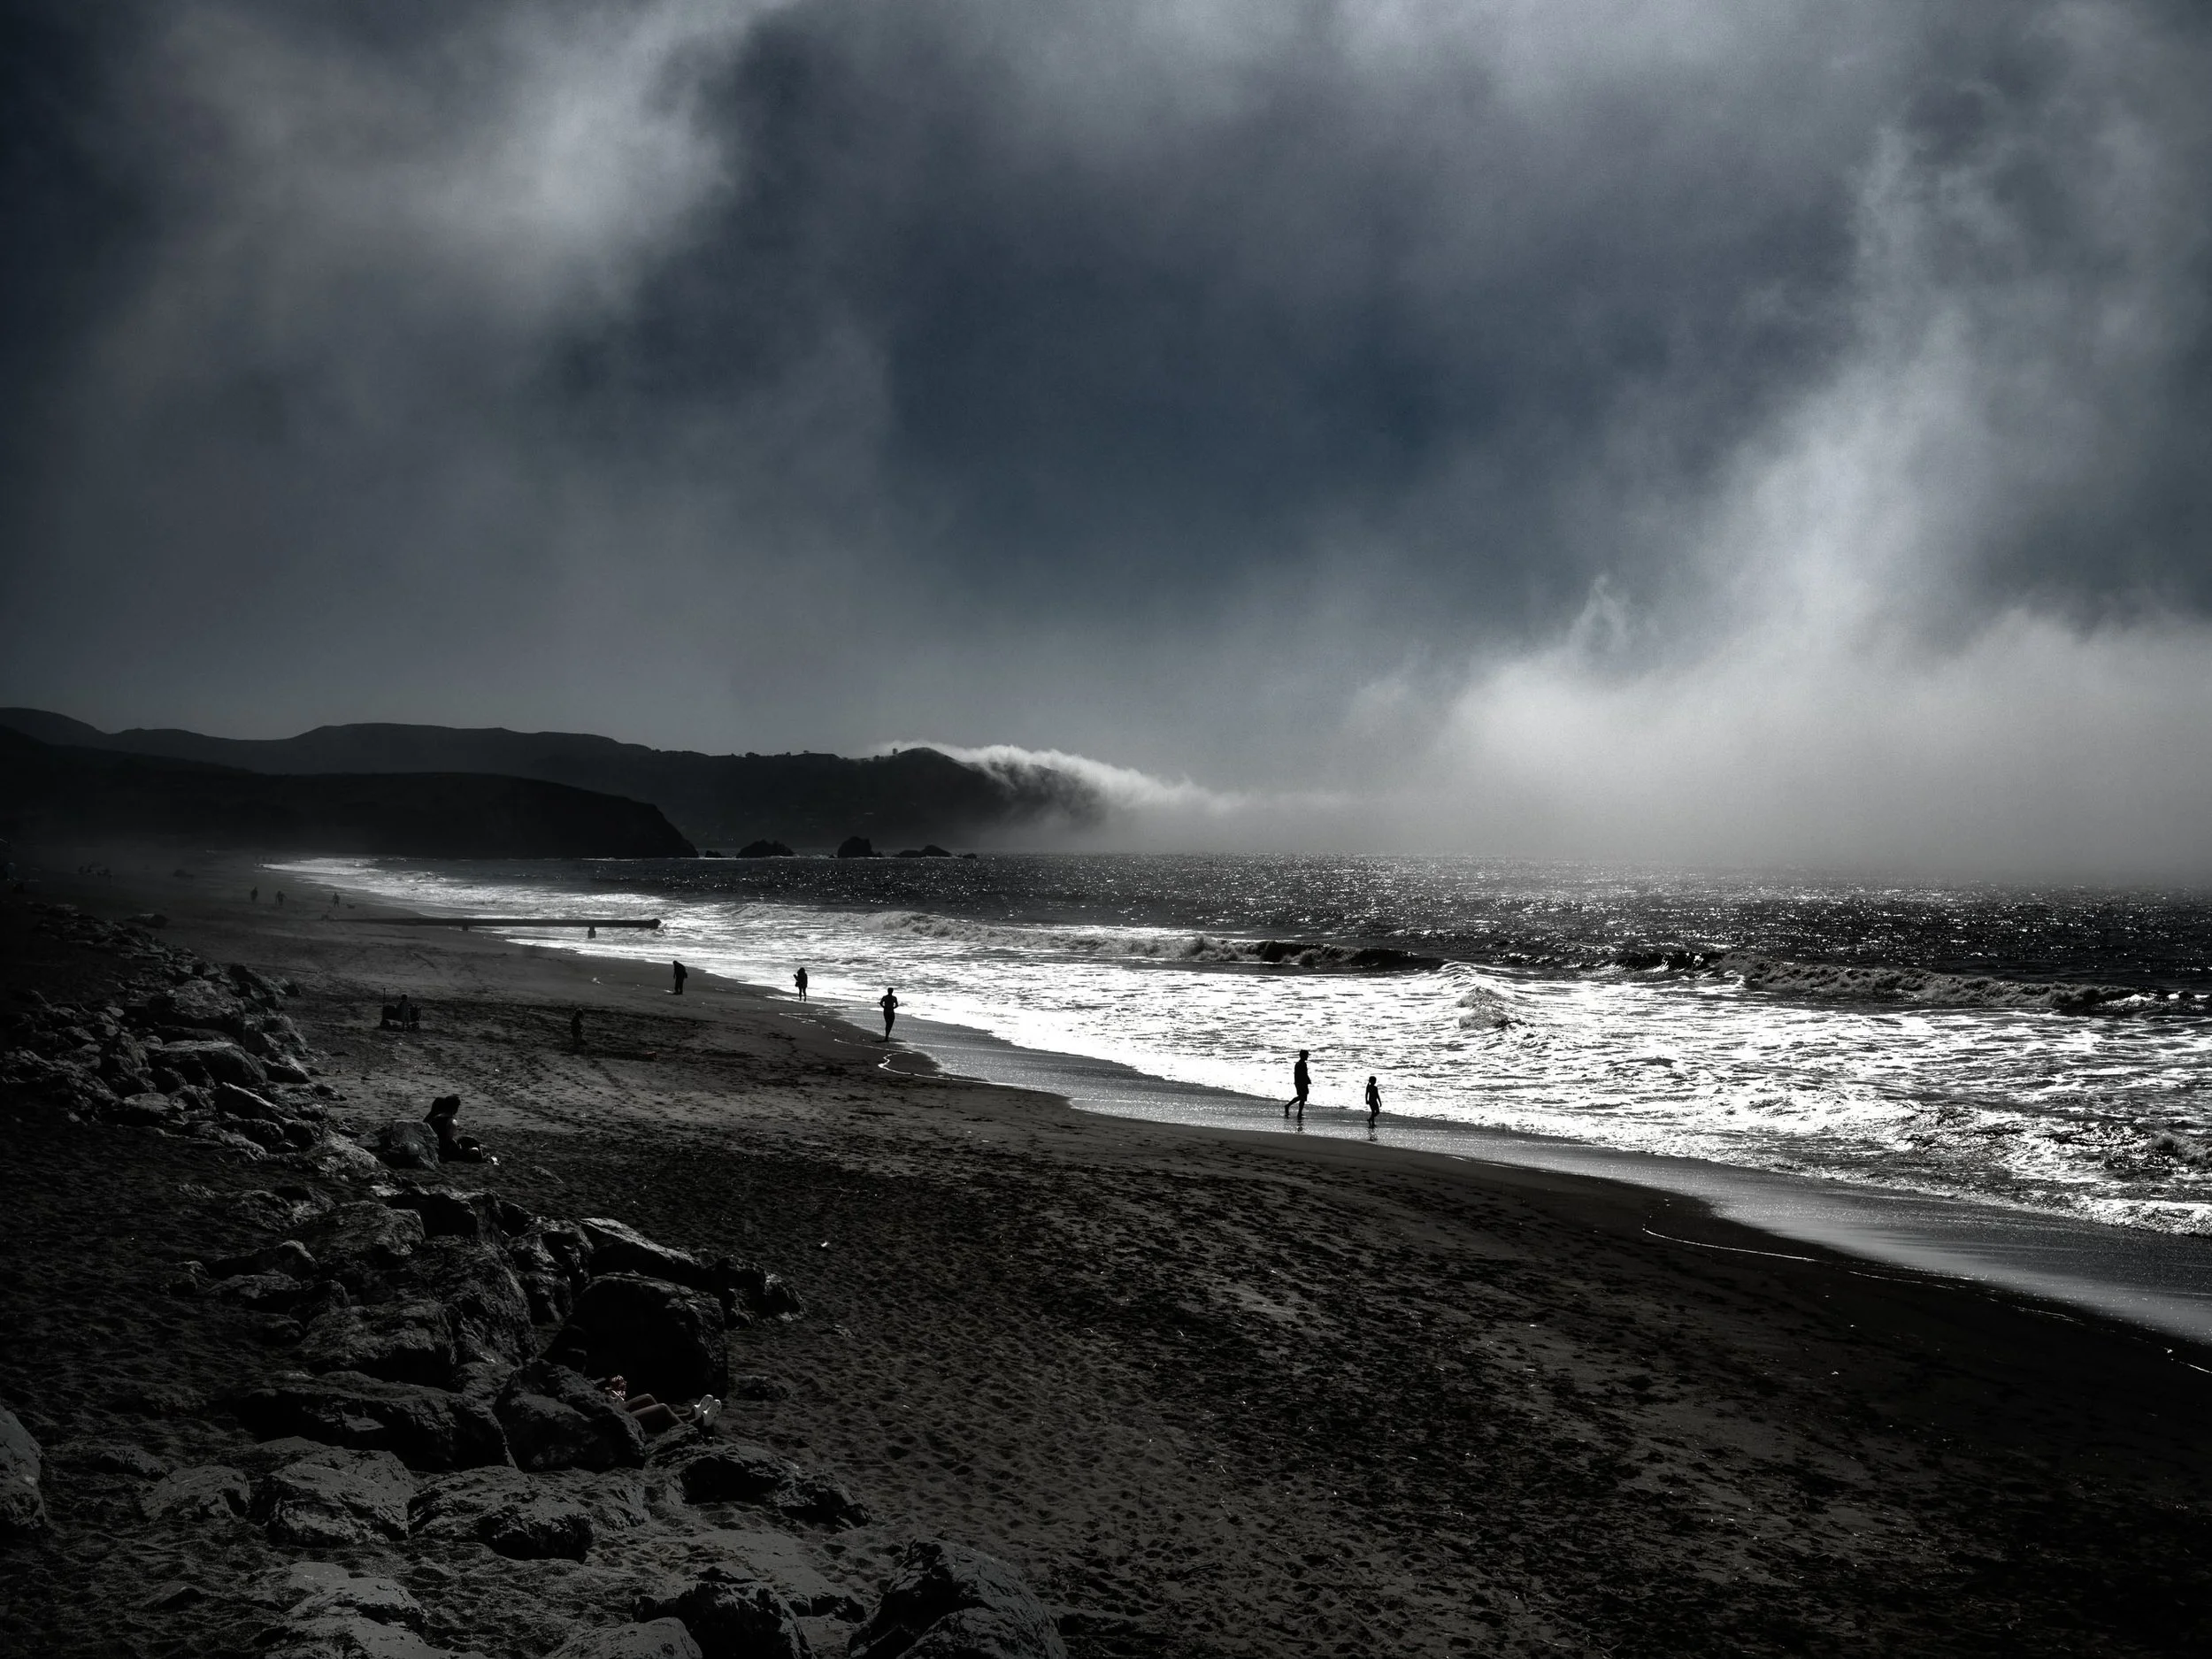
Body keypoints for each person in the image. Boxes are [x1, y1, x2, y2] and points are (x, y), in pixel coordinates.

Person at [1286, 1050, 1310, 1120]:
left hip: (1299, 1082)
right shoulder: (1302, 1064)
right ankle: (1298, 1112)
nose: (1307, 1056)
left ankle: (1290, 1107)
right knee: (1302, 1098)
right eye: (1306, 1055)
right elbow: (1303, 1075)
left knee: (1301, 1097)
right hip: (1301, 1083)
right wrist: (1306, 1082)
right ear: (1302, 1056)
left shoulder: (1299, 1063)